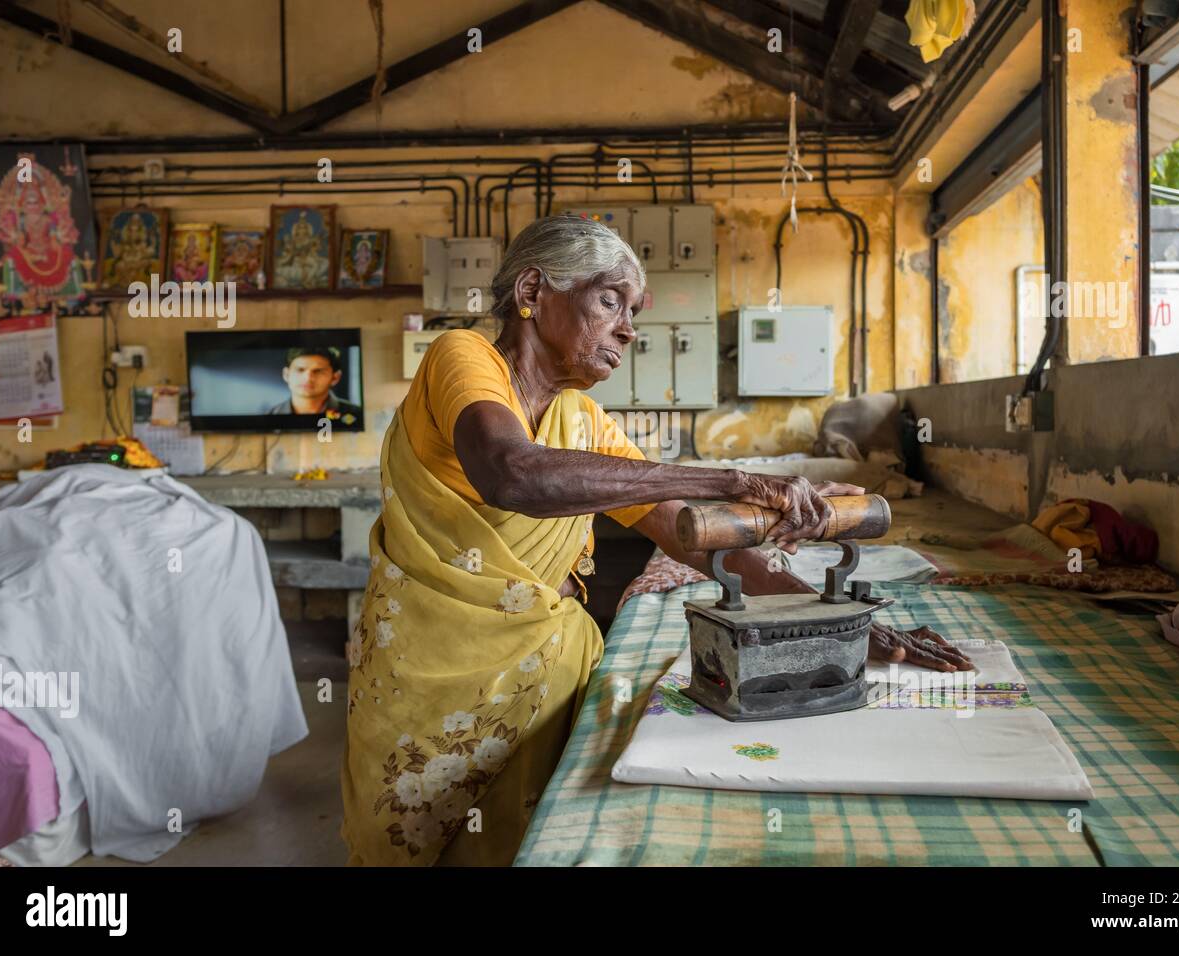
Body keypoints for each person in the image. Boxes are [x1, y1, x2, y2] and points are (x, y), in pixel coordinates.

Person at [341, 214, 970, 867]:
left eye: (633, 309)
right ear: (532, 291)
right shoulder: (463, 357)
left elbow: (677, 529)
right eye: (609, 299)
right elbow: (511, 474)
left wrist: (825, 616)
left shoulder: (579, 418)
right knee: (415, 844)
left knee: (523, 842)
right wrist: (730, 478)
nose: (629, 327)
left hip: (536, 673)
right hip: (430, 673)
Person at [266, 346, 359, 416]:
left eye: (318, 371)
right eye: (300, 370)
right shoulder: (269, 417)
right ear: (286, 375)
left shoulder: (356, 414)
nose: (308, 378)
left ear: (335, 378)